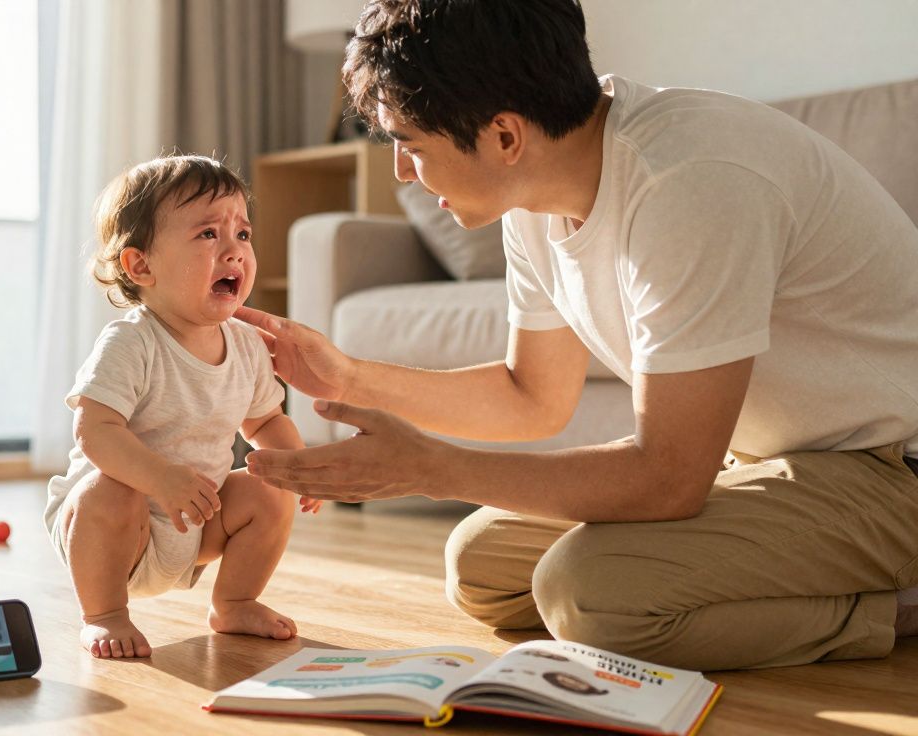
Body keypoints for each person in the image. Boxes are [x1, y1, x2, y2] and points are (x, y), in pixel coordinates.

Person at [238, 0, 918, 671]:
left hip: (889, 465)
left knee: (588, 595)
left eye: (410, 145)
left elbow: (669, 477)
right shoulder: (531, 198)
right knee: (483, 567)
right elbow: (532, 396)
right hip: (773, 461)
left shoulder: (688, 183)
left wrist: (430, 467)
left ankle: (895, 604)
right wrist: (349, 377)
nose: (400, 172)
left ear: (505, 137)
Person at [45, 155, 321, 659]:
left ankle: (235, 601)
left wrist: (298, 468)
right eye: (208, 235)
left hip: (194, 522)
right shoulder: (132, 342)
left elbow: (266, 421)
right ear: (141, 265)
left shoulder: (247, 345)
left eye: (243, 233)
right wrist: (159, 478)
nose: (234, 251)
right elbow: (95, 430)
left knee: (269, 487)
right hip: (112, 533)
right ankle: (103, 614)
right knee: (110, 490)